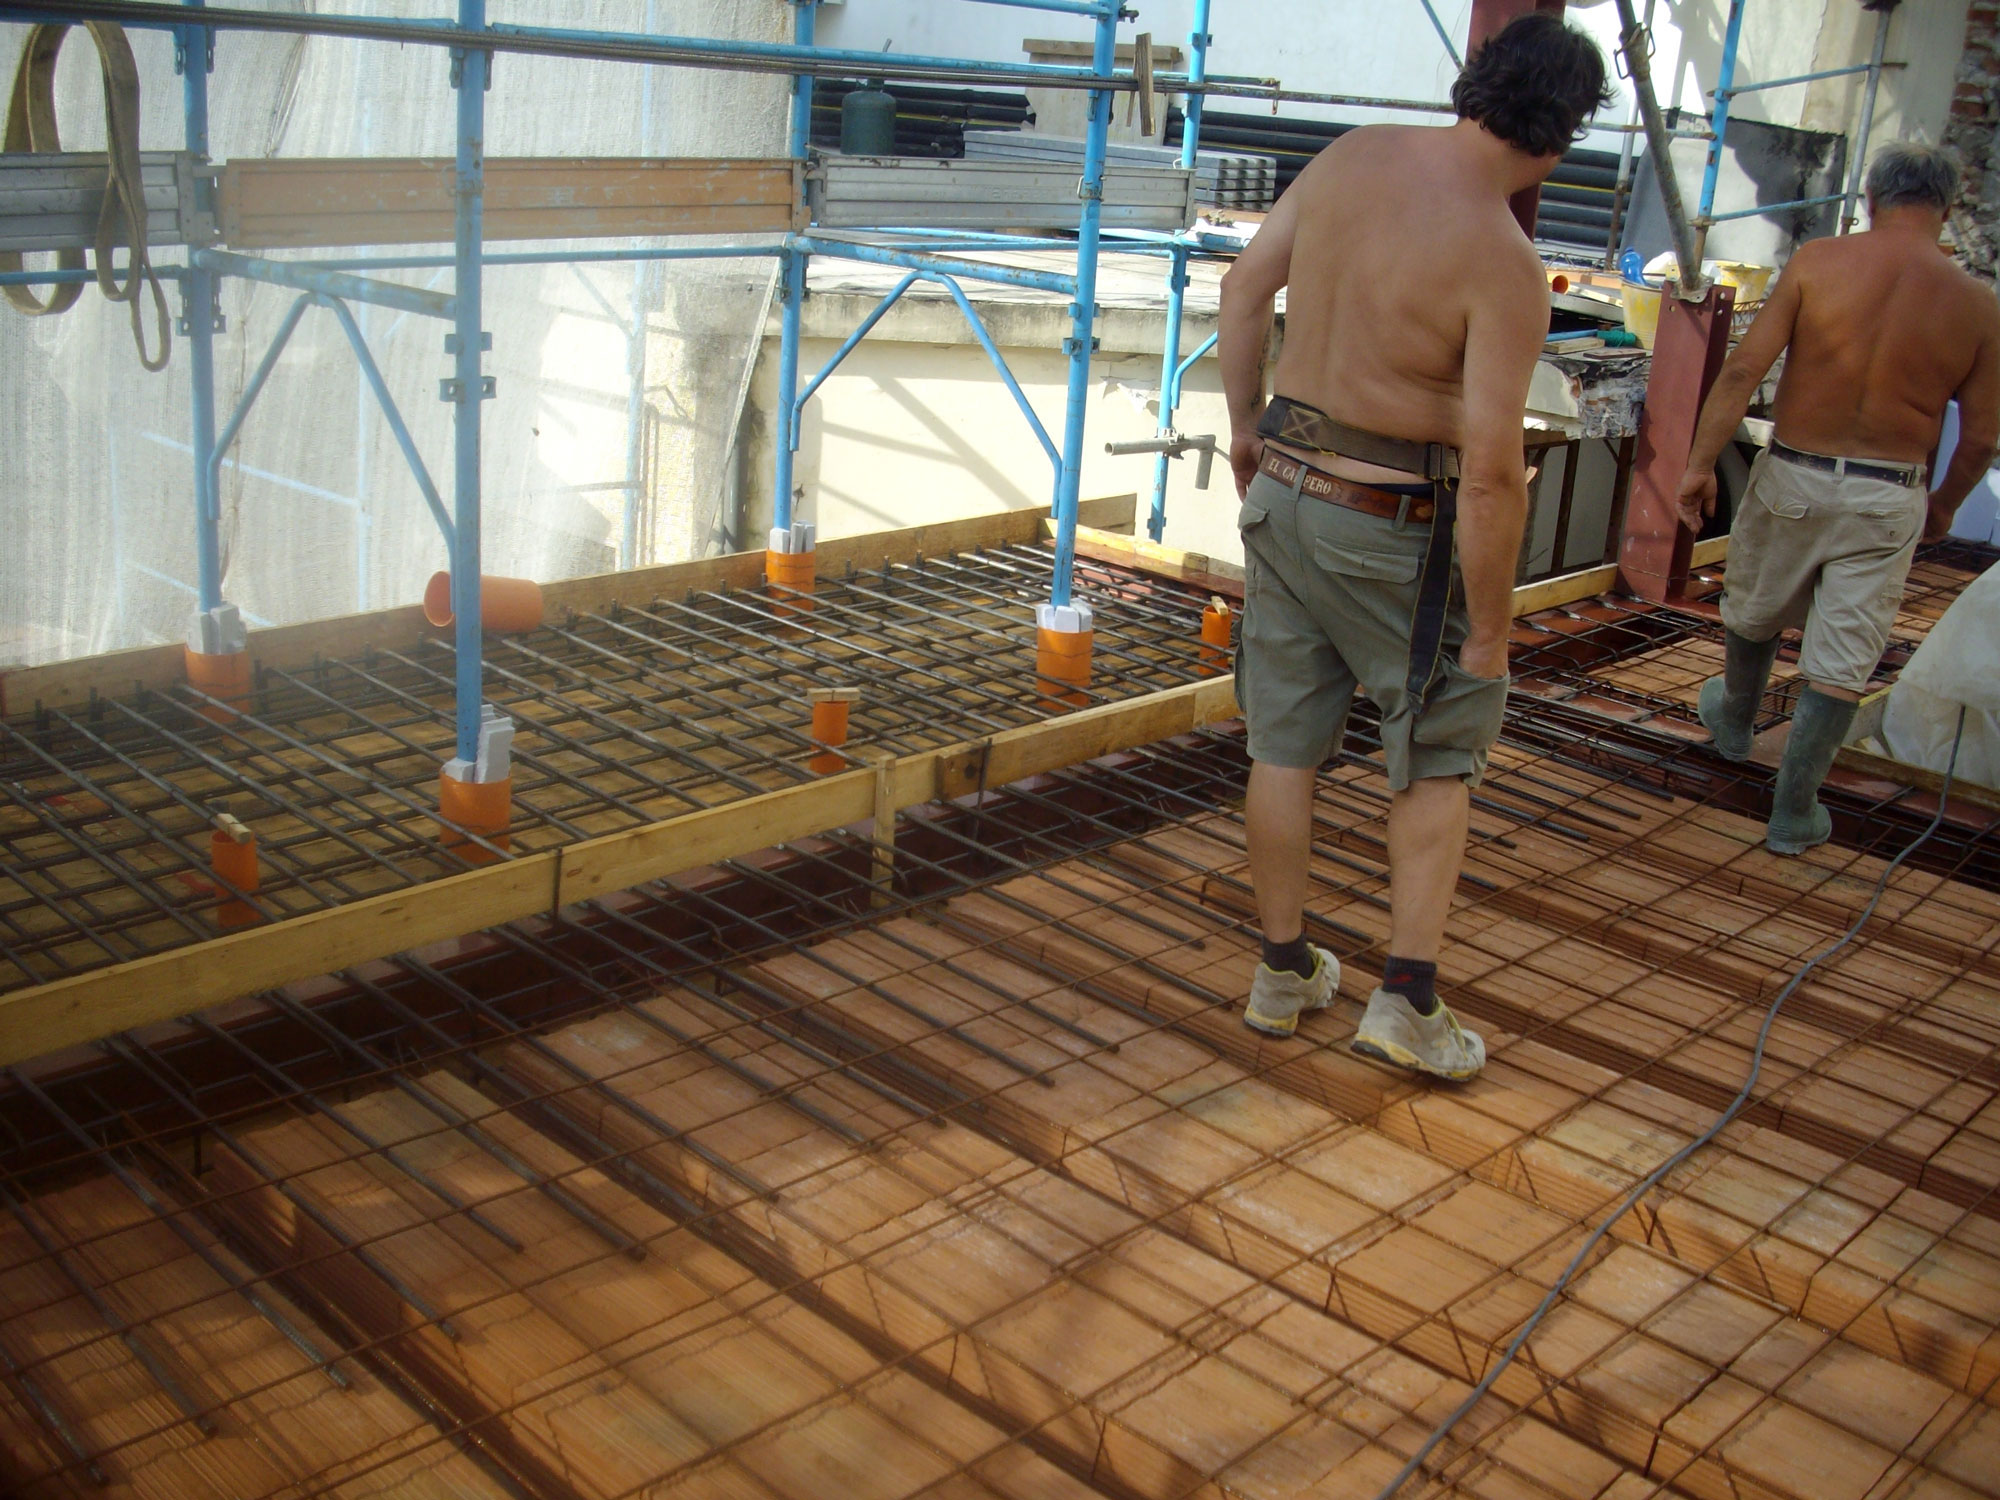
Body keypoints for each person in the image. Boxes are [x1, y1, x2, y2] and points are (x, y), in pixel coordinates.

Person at [1216, 15, 1609, 1079]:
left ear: (1474, 84)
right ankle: (1406, 1002)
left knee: (1281, 745)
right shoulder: (1503, 262)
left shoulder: (1352, 156)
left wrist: (1245, 426)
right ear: (1560, 135)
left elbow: (1242, 290)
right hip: (1390, 527)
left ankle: (1281, 973)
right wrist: (1491, 633)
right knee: (1437, 751)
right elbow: (1490, 475)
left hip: (1285, 494)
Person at [1677, 141, 2000, 854]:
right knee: (1843, 657)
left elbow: (1742, 373)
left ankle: (1734, 723)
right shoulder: (1978, 305)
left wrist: (1699, 467)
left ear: (1872, 199)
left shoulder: (1818, 263)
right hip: (1888, 493)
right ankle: (1794, 811)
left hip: (1795, 471)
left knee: (1756, 605)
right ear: (1946, 209)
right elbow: (1981, 438)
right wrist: (1943, 505)